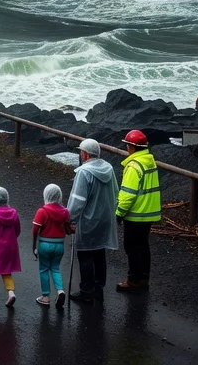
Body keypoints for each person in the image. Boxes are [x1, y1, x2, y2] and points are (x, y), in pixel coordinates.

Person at [68, 138, 119, 306]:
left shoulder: (84, 172)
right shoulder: (109, 168)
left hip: (89, 219)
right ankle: (99, 288)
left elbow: (78, 200)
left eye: (81, 151)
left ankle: (86, 291)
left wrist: (69, 220)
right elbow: (116, 192)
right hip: (105, 218)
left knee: (85, 255)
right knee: (99, 253)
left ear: (85, 154)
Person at [116, 129, 160, 293]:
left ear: (132, 147)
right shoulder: (149, 160)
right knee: (143, 246)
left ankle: (133, 281)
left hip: (135, 214)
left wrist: (119, 212)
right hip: (149, 213)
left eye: (127, 145)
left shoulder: (134, 165)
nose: (127, 147)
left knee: (132, 247)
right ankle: (143, 279)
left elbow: (128, 194)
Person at [32, 183, 72, 307]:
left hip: (45, 244)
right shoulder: (65, 212)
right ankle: (60, 290)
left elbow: (35, 230)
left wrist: (34, 246)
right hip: (59, 245)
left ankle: (45, 296)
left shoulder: (42, 211)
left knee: (44, 269)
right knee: (55, 268)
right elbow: (67, 230)